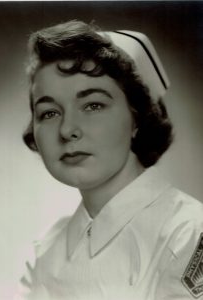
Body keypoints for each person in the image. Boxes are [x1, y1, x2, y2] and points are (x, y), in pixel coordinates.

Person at [15, 20, 203, 300]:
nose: (67, 130)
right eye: (49, 113)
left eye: (93, 105)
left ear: (137, 118)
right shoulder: (45, 250)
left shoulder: (188, 231)